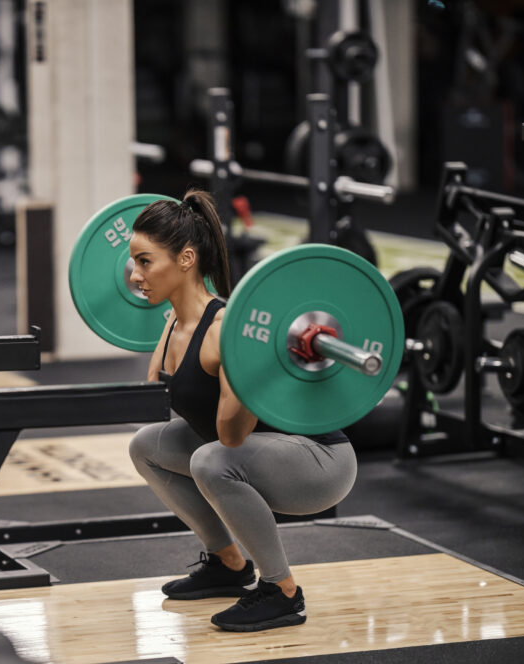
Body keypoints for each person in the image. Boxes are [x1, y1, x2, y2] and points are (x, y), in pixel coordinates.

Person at [127, 189, 357, 632]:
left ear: (186, 259)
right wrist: (169, 329)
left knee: (211, 459)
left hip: (320, 460)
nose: (134, 275)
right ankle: (228, 565)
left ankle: (283, 592)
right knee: (146, 445)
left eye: (144, 261)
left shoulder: (225, 330)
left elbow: (230, 438)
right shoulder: (176, 321)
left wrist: (247, 369)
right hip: (261, 450)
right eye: (135, 262)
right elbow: (150, 399)